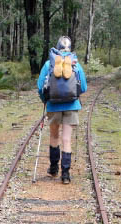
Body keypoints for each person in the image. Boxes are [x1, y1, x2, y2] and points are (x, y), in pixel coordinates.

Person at [37, 36, 87, 184]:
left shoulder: (49, 64)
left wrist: (45, 100)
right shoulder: (75, 64)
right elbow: (83, 87)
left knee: (54, 137)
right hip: (72, 106)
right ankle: (65, 175)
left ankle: (53, 168)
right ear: (70, 48)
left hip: (53, 105)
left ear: (57, 48)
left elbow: (40, 86)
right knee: (66, 139)